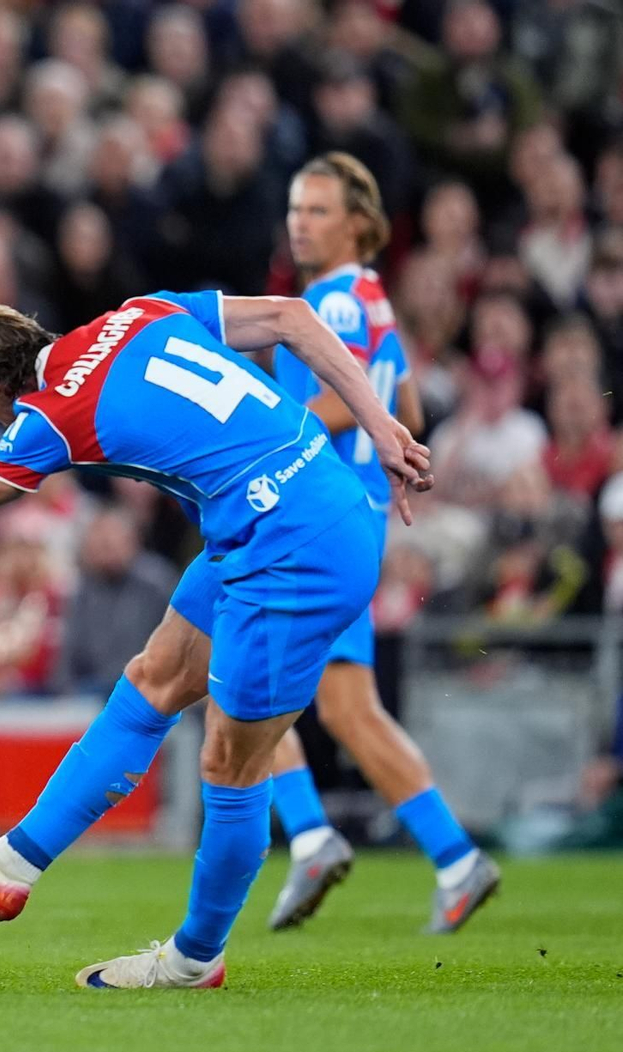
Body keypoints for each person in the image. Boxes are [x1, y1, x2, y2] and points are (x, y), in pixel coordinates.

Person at [0, 288, 431, 989]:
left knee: (233, 764)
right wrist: (379, 424)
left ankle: (196, 959)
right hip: (290, 508)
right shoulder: (140, 311)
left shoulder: (52, 415)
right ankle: (15, 864)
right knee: (156, 676)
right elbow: (291, 316)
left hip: (294, 551)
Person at [261, 152, 498, 933]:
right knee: (347, 708)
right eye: (296, 209)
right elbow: (409, 412)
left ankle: (310, 837)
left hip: (309, 517)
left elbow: (338, 404)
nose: (301, 222)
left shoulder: (331, 302)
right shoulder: (373, 301)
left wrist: (256, 435)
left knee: (227, 672)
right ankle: (457, 859)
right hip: (355, 522)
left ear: (359, 223)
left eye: (318, 211)